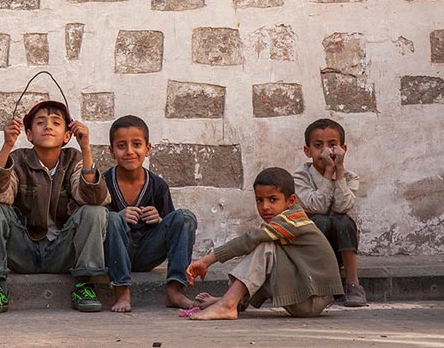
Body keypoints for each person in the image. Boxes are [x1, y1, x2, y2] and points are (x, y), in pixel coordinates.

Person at [0, 100, 111, 315]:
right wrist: (7, 146)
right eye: (40, 122)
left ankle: (84, 285)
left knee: (95, 211)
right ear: (28, 134)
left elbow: (93, 198)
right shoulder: (17, 160)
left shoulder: (74, 160)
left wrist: (85, 149)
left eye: (56, 123)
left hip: (62, 252)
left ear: (67, 136)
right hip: (24, 250)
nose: (48, 126)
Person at [184, 167, 343, 320]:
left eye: (273, 199)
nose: (264, 207)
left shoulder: (292, 221)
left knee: (264, 246)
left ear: (290, 201)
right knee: (264, 256)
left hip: (312, 298)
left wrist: (207, 261)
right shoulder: (285, 220)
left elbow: (249, 239)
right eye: (259, 200)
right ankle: (231, 300)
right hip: (307, 292)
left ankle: (228, 304)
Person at [103, 115, 197, 312]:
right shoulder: (104, 183)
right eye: (121, 146)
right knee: (110, 218)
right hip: (116, 254)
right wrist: (118, 216)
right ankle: (121, 291)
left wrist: (160, 219)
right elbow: (95, 228)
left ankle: (175, 289)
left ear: (148, 149)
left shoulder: (157, 185)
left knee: (185, 217)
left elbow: (173, 228)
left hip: (148, 253)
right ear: (112, 151)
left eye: (136, 144)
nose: (129, 151)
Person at [294, 118, 367, 307]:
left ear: (343, 149)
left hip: (339, 247)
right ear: (307, 151)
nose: (326, 151)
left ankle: (353, 284)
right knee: (319, 220)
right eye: (318, 145)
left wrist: (339, 170)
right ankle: (320, 286)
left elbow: (343, 207)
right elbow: (317, 207)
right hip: (312, 246)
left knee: (343, 221)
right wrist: (328, 172)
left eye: (332, 145)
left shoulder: (350, 177)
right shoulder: (300, 177)